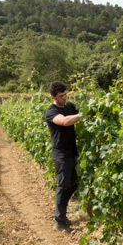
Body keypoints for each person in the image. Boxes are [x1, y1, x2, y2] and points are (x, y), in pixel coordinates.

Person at [44, 81, 81, 232]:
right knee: (63, 185)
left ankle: (63, 215)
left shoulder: (70, 106)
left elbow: (80, 111)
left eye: (66, 94)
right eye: (61, 96)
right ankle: (59, 221)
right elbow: (65, 121)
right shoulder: (51, 112)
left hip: (72, 152)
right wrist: (82, 115)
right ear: (53, 97)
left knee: (73, 184)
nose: (65, 97)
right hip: (61, 155)